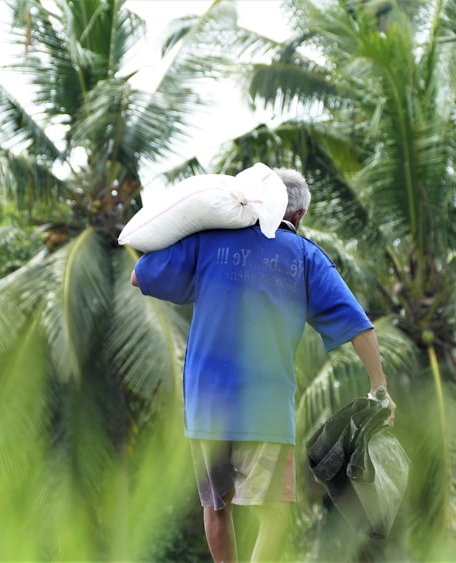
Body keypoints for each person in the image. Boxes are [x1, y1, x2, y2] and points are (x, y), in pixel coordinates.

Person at [130, 168, 395, 563]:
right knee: (274, 516)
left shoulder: (211, 240)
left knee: (217, 506)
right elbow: (359, 325)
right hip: (265, 408)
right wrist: (379, 387)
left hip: (206, 403)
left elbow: (139, 276)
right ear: (300, 216)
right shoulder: (305, 257)